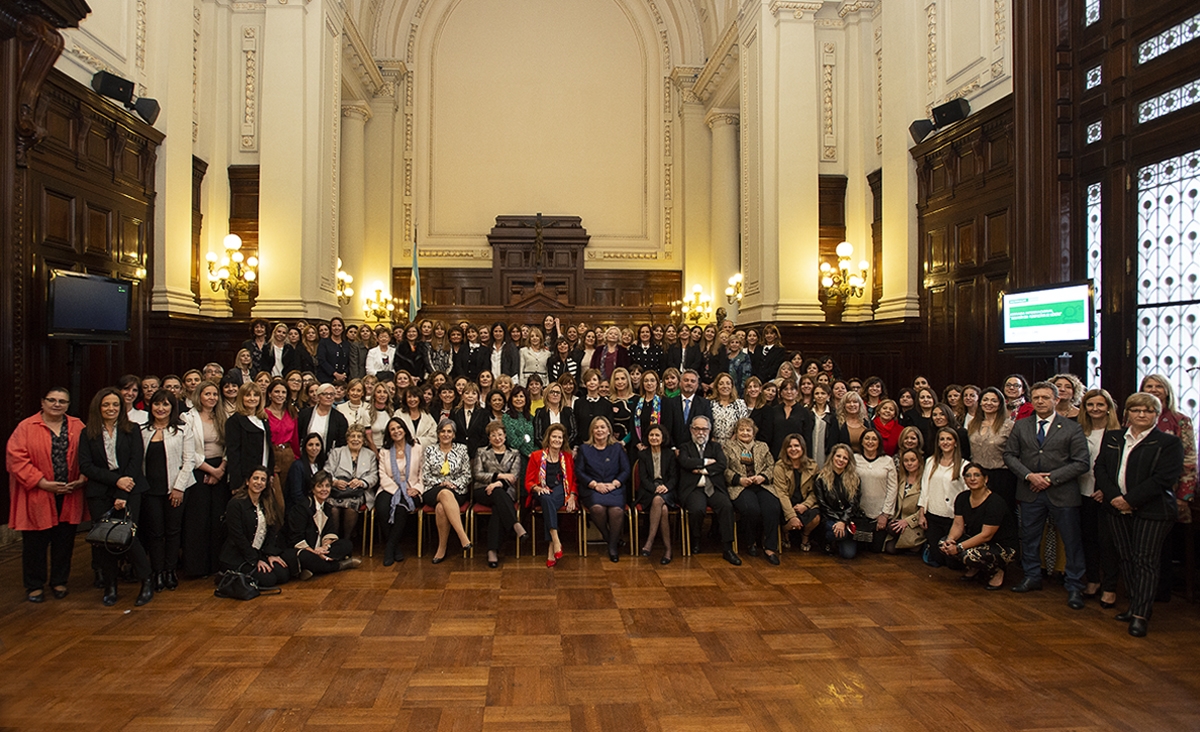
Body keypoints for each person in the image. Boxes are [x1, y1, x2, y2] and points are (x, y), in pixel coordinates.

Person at [1094, 392, 1185, 637]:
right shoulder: (1113, 437)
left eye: (1147, 411)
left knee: (1145, 560)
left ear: (1156, 415)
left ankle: (1140, 615)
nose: (1141, 414)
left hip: (1153, 511)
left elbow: (1164, 478)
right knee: (1126, 557)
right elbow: (1100, 468)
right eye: (1136, 410)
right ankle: (1134, 604)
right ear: (1128, 414)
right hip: (1115, 507)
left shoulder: (1168, 443)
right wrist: (1114, 497)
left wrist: (1129, 500)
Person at [1003, 380, 1091, 608]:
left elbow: (1081, 462)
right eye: (1037, 398)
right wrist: (1030, 476)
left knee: (1071, 541)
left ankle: (1074, 586)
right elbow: (1010, 455)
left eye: (1045, 398)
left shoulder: (1072, 427)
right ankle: (1032, 576)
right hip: (1029, 490)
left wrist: (1050, 478)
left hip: (1062, 493)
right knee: (1030, 538)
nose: (1040, 401)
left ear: (1056, 399)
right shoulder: (1021, 426)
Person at [7, 387, 87, 603]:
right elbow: (16, 459)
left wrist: (82, 478)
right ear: (42, 403)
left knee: (65, 541)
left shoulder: (77, 426)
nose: (57, 404)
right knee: (35, 542)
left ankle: (59, 581)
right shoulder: (26, 427)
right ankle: (34, 585)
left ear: (68, 405)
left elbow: (90, 454)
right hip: (37, 493)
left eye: (62, 401)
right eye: (52, 400)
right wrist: (42, 483)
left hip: (70, 492)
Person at [79, 387, 153, 606]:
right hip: (99, 492)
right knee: (103, 541)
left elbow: (135, 462)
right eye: (106, 405)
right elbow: (85, 465)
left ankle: (146, 580)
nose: (111, 408)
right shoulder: (88, 432)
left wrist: (122, 491)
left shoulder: (132, 429)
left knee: (128, 538)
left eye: (115, 405)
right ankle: (110, 585)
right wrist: (115, 481)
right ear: (98, 408)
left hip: (130, 489)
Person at [139, 391, 195, 592]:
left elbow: (188, 460)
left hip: (176, 488)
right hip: (150, 491)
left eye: (165, 404)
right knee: (155, 533)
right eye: (157, 404)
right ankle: (157, 572)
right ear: (151, 406)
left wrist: (179, 487)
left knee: (173, 531)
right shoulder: (142, 430)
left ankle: (170, 571)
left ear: (172, 407)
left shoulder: (182, 430)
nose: (160, 408)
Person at [940, 463, 1019, 590]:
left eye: (977, 475)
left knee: (968, 554)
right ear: (964, 480)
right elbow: (958, 525)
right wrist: (951, 540)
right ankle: (975, 568)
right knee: (943, 543)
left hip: (1001, 545)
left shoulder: (995, 502)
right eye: (968, 476)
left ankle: (997, 571)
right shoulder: (962, 497)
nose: (972, 479)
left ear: (985, 479)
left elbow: (986, 535)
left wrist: (959, 547)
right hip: (978, 541)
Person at [677, 415, 741, 565]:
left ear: (709, 430)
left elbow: (721, 464)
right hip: (694, 489)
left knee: (726, 506)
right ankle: (696, 540)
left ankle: (728, 548)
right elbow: (685, 462)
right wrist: (706, 462)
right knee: (697, 509)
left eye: (704, 429)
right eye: (697, 429)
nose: (701, 432)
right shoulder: (685, 447)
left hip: (714, 487)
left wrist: (701, 470)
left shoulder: (716, 447)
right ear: (691, 430)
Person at [1078, 387, 1120, 607]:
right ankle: (1093, 580)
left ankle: (1110, 586)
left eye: (1100, 405)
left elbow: (1123, 467)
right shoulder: (1078, 430)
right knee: (1088, 539)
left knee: (1108, 542)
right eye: (1090, 405)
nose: (1095, 409)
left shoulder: (1118, 434)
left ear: (1108, 408)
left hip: (1107, 495)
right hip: (1082, 492)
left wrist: (1107, 490)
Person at [723, 418, 783, 564]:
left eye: (748, 430)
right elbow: (724, 469)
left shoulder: (763, 446)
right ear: (736, 432)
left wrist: (762, 477)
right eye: (741, 430)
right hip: (739, 486)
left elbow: (771, 466)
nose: (745, 433)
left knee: (773, 507)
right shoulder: (728, 446)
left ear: (753, 432)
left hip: (762, 485)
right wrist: (739, 479)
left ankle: (769, 547)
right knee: (751, 508)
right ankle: (751, 542)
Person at [219, 466, 289, 587]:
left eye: (263, 479)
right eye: (255, 478)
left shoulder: (267, 502)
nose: (259, 482)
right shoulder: (235, 504)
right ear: (248, 481)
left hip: (259, 553)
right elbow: (238, 537)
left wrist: (269, 554)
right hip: (238, 555)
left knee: (283, 575)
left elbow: (271, 532)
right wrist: (255, 560)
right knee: (268, 580)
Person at [471, 420, 528, 568]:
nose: (497, 438)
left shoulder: (514, 453)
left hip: (505, 491)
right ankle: (516, 525)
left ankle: (492, 551)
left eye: (500, 435)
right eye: (493, 435)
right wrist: (499, 477)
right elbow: (477, 474)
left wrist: (497, 483)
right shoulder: (481, 451)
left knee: (498, 507)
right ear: (489, 438)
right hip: (483, 490)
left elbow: (514, 476)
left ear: (505, 435)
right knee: (497, 494)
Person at [285, 470, 361, 580]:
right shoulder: (301, 508)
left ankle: (311, 569)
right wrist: (315, 552)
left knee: (346, 544)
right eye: (320, 486)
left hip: (320, 548)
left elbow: (330, 532)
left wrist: (325, 547)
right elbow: (296, 538)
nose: (324, 490)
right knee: (305, 558)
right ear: (313, 489)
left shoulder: (327, 507)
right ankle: (340, 566)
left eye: (327, 486)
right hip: (304, 549)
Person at [576, 416, 631, 562]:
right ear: (592, 431)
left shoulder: (617, 448)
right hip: (592, 488)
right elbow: (580, 471)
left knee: (616, 510)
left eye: (602, 427)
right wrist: (594, 484)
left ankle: (612, 546)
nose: (599, 430)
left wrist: (615, 483)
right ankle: (610, 539)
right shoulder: (584, 449)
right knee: (597, 508)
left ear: (608, 431)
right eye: (596, 427)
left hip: (614, 487)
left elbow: (626, 469)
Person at [525, 423, 577, 567]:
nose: (557, 440)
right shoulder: (536, 456)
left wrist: (572, 495)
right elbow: (528, 481)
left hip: (561, 489)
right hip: (541, 490)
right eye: (554, 436)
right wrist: (536, 488)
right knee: (547, 498)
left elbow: (573, 480)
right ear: (548, 438)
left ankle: (552, 545)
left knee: (549, 502)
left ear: (563, 440)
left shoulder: (567, 457)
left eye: (560, 437)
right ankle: (555, 540)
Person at [421, 418, 473, 563]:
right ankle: (463, 537)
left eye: (449, 431)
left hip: (457, 489)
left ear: (454, 434)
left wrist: (452, 483)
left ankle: (441, 548)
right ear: (438, 434)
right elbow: (426, 475)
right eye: (442, 431)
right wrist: (442, 483)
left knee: (441, 508)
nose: (445, 434)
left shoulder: (462, 449)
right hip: (433, 489)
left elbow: (467, 475)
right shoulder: (430, 450)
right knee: (444, 492)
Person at [919, 427, 970, 568]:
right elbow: (925, 488)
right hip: (933, 515)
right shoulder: (930, 461)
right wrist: (922, 513)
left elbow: (967, 494)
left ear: (955, 442)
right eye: (942, 439)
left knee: (953, 564)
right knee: (938, 559)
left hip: (953, 519)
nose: (945, 442)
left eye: (949, 439)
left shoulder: (964, 465)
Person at [377, 418, 423, 567]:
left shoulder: (416, 447)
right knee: (383, 508)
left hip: (412, 487)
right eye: (392, 429)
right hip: (389, 487)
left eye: (399, 428)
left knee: (401, 509)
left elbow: (423, 472)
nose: (396, 431)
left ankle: (389, 548)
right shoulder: (384, 451)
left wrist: (417, 488)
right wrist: (397, 490)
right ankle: (395, 547)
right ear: (389, 433)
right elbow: (382, 475)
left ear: (404, 429)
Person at [325, 424, 378, 543]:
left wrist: (362, 482)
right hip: (338, 491)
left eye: (359, 436)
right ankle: (334, 540)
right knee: (333, 509)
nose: (356, 439)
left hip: (359, 492)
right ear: (347, 438)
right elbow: (327, 471)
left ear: (364, 440)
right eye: (352, 436)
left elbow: (374, 476)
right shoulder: (336, 452)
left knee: (350, 506)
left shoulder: (370, 455)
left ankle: (346, 540)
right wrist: (335, 482)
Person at [224, 383, 276, 496]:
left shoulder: (263, 419)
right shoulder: (235, 421)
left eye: (256, 395)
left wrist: (270, 473)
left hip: (263, 474)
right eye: (248, 395)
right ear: (241, 397)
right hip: (245, 478)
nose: (252, 398)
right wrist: (236, 483)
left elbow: (268, 448)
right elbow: (233, 453)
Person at [636, 424, 677, 564]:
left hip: (667, 490)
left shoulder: (670, 454)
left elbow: (674, 477)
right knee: (662, 508)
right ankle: (668, 550)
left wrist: (665, 487)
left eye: (657, 435)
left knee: (660, 501)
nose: (654, 438)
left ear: (663, 437)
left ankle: (649, 542)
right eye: (651, 435)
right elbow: (643, 478)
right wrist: (655, 488)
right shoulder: (643, 455)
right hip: (649, 491)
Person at [813, 444, 861, 559]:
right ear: (832, 457)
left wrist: (843, 521)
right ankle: (827, 540)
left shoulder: (855, 478)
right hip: (829, 518)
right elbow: (823, 504)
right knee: (840, 533)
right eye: (838, 456)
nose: (841, 460)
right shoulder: (820, 478)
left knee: (848, 555)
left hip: (848, 520)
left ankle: (840, 539)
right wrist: (838, 521)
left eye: (845, 458)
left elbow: (854, 503)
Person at [855, 429, 898, 553]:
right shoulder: (854, 459)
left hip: (879, 515)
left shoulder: (888, 461)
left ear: (879, 442)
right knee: (858, 550)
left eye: (874, 439)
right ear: (861, 441)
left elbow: (892, 489)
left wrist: (885, 514)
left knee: (876, 550)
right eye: (867, 438)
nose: (870, 442)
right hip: (859, 515)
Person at [889, 448, 926, 553]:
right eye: (906, 460)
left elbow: (926, 507)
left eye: (913, 460)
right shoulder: (901, 478)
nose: (909, 463)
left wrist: (908, 521)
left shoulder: (924, 480)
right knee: (889, 548)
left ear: (919, 461)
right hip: (900, 518)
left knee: (912, 548)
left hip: (915, 521)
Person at [762, 378, 812, 457]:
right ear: (781, 393)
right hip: (775, 454)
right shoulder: (773, 411)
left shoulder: (804, 412)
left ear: (797, 392)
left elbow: (807, 437)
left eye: (792, 389)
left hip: (797, 454)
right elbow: (768, 435)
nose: (789, 392)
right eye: (785, 389)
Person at [667, 369, 714, 449]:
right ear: (680, 383)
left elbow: (708, 427)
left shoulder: (705, 404)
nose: (689, 383)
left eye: (693, 381)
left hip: (696, 451)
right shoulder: (670, 403)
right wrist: (673, 447)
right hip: (674, 451)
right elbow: (666, 427)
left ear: (697, 385)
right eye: (686, 380)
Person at [297, 383, 349, 452]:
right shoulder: (304, 414)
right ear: (318, 397)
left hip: (329, 457)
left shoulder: (340, 418)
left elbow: (342, 442)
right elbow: (298, 435)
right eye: (325, 394)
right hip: (306, 455)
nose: (328, 397)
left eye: (332, 394)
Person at [533, 381, 577, 451]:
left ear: (561, 395)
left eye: (558, 392)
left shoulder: (568, 411)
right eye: (552, 392)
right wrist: (550, 449)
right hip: (546, 451)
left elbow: (573, 433)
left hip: (565, 450)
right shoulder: (540, 412)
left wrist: (562, 446)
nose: (555, 394)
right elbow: (538, 436)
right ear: (547, 395)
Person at [710, 372, 749, 444]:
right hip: (713, 444)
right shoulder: (710, 403)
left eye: (728, 383)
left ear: (732, 386)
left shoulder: (740, 404)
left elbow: (743, 425)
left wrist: (730, 443)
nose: (725, 386)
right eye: (721, 384)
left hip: (735, 443)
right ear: (717, 387)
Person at [502, 386, 537, 458]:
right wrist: (527, 453)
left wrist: (535, 454)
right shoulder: (507, 417)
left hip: (533, 457)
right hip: (516, 457)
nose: (518, 399)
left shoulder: (531, 417)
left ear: (526, 399)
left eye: (521, 396)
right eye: (515, 396)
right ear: (511, 399)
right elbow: (512, 442)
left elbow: (535, 439)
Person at [316, 317, 350, 385]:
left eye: (339, 325)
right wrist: (335, 374)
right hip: (326, 378)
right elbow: (322, 360)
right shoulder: (324, 342)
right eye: (334, 325)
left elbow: (349, 362)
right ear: (331, 328)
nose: (337, 328)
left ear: (343, 328)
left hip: (343, 379)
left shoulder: (347, 344)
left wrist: (344, 374)